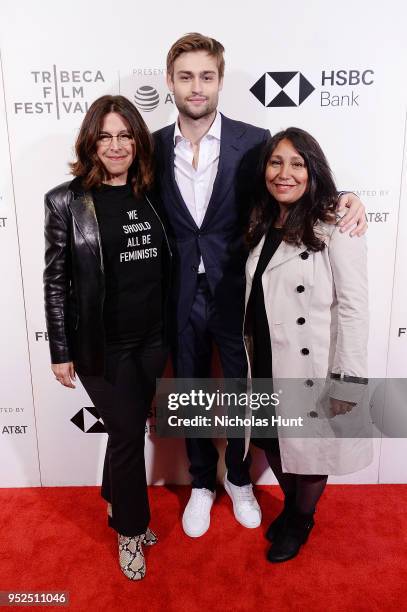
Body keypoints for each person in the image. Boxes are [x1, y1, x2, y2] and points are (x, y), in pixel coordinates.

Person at [154, 32, 368, 538]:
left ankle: (239, 480)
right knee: (189, 392)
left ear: (221, 80)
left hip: (241, 292)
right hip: (179, 293)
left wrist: (350, 197)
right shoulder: (152, 146)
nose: (197, 86)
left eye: (207, 76)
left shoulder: (255, 141)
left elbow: (292, 189)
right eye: (186, 76)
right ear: (170, 82)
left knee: (242, 394)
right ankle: (202, 483)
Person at [43, 95, 171, 580]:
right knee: (124, 436)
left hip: (154, 339)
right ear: (91, 142)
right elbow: (55, 279)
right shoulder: (66, 201)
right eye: (105, 136)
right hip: (102, 347)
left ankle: (116, 502)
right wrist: (60, 349)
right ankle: (132, 532)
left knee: (129, 428)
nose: (116, 145)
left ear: (138, 140)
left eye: (125, 135)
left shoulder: (156, 191)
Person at [244, 127, 371, 563]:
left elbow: (355, 308)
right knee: (273, 442)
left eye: (297, 163)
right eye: (276, 162)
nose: (285, 173)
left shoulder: (336, 222)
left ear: (313, 171)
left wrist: (348, 381)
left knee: (311, 448)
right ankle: (295, 507)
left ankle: (300, 519)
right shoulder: (261, 221)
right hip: (264, 354)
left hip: (309, 364)